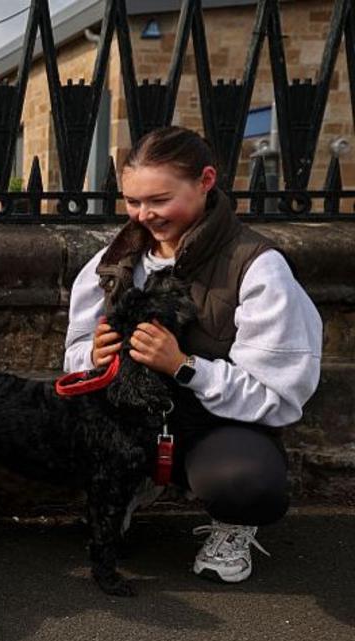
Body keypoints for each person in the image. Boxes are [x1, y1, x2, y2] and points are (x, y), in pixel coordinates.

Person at [64, 126, 322, 584]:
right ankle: (132, 485)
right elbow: (73, 354)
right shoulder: (113, 261)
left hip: (213, 429)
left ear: (205, 181)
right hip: (131, 420)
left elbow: (279, 396)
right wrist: (93, 356)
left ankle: (234, 523)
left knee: (246, 481)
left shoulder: (257, 266)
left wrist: (183, 367)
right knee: (40, 435)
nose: (144, 215)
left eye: (159, 200)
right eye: (132, 201)